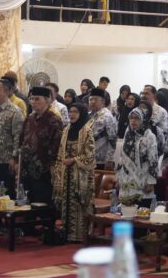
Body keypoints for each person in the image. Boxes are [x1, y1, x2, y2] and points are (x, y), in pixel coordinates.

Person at [53, 103, 95, 242]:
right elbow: (60, 151)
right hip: (66, 173)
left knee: (80, 203)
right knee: (66, 202)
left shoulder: (86, 131)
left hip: (81, 175)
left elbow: (90, 155)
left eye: (75, 112)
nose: (72, 114)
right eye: (70, 111)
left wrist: (74, 160)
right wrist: (58, 169)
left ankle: (81, 235)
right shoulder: (66, 130)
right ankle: (67, 233)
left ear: (81, 113)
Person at [18, 87, 63, 204]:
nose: (33, 102)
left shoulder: (54, 120)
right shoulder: (29, 119)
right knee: (26, 200)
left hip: (44, 168)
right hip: (26, 168)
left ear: (47, 100)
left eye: (37, 99)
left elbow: (57, 144)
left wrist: (53, 165)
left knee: (43, 201)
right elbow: (21, 140)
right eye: (31, 99)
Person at [116, 107, 158, 207]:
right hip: (126, 180)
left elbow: (153, 160)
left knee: (141, 215)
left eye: (137, 118)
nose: (133, 121)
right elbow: (122, 157)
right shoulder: (128, 134)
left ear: (143, 120)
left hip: (142, 179)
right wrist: (118, 177)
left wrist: (151, 182)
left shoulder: (149, 136)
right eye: (131, 118)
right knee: (126, 214)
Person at [88, 88, 118, 170]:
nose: (93, 102)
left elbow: (112, 139)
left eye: (96, 99)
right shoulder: (88, 115)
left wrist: (109, 159)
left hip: (100, 160)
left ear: (103, 101)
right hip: (87, 159)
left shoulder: (107, 116)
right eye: (91, 99)